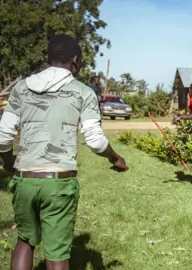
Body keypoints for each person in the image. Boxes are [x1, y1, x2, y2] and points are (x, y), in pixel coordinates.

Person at [0, 34, 129, 270]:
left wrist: (9, 163)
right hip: (58, 183)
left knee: (25, 240)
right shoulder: (83, 92)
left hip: (24, 179)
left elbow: (2, 137)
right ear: (76, 60)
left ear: (49, 58)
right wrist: (115, 157)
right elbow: (96, 142)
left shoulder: (21, 88)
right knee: (57, 251)